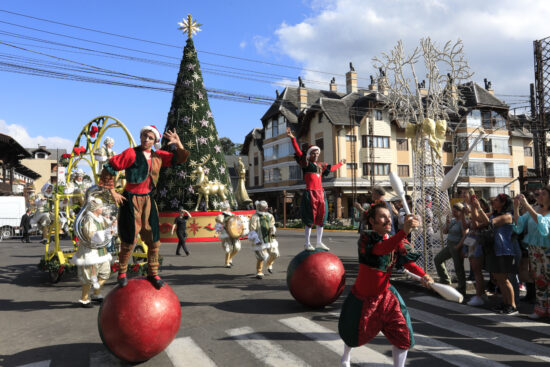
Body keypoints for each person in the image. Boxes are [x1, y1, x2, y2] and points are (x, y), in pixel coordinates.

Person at [338, 202, 433, 367]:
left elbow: (407, 263)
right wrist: (404, 231)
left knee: (403, 334)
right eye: (382, 216)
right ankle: (346, 357)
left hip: (386, 297)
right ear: (372, 222)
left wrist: (424, 275)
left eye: (389, 216)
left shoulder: (396, 240)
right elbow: (381, 249)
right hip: (363, 297)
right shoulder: (367, 238)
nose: (388, 220)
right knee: (353, 332)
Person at [99, 125, 190, 289]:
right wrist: (112, 191)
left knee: (154, 238)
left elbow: (180, 159)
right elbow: (109, 167)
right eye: (144, 136)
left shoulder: (158, 156)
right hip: (130, 200)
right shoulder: (131, 153)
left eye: (150, 138)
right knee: (128, 238)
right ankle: (122, 273)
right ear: (140, 137)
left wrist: (178, 143)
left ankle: (153, 273)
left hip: (148, 200)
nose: (146, 140)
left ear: (155, 140)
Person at [287, 127, 346, 251]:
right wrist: (293, 139)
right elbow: (298, 152)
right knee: (309, 218)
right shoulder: (306, 164)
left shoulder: (321, 165)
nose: (316, 155)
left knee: (321, 218)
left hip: (320, 193)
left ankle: (319, 242)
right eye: (314, 153)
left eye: (318, 153)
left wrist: (341, 163)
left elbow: (332, 168)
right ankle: (307, 243)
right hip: (310, 193)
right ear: (309, 154)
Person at [474, 193, 521, 315]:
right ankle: (505, 303)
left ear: (503, 203)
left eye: (496, 200)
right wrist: (473, 207)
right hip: (494, 250)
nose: (492, 202)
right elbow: (478, 220)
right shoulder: (494, 214)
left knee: (504, 279)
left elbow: (489, 222)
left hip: (504, 251)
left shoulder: (507, 216)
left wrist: (478, 207)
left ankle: (512, 305)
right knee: (499, 280)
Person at [71, 197, 115, 308]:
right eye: (100, 207)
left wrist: (114, 223)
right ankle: (84, 299)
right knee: (89, 276)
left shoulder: (100, 218)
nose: (102, 208)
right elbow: (91, 235)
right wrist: (106, 231)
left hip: (101, 251)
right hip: (90, 252)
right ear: (95, 209)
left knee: (105, 272)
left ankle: (96, 293)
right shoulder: (89, 219)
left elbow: (109, 225)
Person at [513, 190, 550, 319]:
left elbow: (544, 227)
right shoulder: (535, 209)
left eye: (543, 194)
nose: (539, 196)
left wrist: (527, 206)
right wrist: (516, 207)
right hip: (535, 249)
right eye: (538, 194)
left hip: (548, 249)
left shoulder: (536, 210)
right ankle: (540, 310)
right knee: (539, 280)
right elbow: (519, 225)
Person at [434, 202, 467, 296]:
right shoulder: (453, 221)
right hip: (450, 245)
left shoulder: (463, 221)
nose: (453, 212)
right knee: (438, 259)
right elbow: (445, 232)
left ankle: (462, 288)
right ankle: (445, 280)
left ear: (461, 212)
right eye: (453, 210)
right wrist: (447, 224)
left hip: (457, 246)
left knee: (458, 268)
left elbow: (465, 236)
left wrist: (459, 246)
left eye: (455, 211)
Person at [248, 200, 279, 279]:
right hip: (259, 239)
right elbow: (252, 229)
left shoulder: (270, 216)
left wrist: (272, 231)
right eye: (265, 207)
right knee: (261, 257)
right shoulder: (255, 217)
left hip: (269, 238)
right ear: (260, 208)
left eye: (266, 207)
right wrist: (256, 240)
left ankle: (269, 264)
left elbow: (272, 225)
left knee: (275, 253)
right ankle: (259, 272)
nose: (267, 208)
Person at [215, 201, 241, 268]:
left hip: (234, 233)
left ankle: (230, 258)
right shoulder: (221, 216)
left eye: (228, 207)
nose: (229, 208)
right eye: (228, 207)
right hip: (226, 233)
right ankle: (227, 263)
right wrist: (217, 232)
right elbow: (218, 225)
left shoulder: (233, 215)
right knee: (228, 248)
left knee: (237, 248)